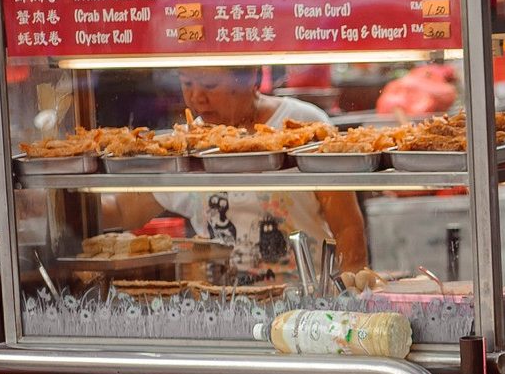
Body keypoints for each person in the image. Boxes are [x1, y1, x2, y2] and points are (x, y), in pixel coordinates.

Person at [144, 67, 367, 281]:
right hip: (220, 305)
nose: (196, 97)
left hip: (303, 304)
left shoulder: (304, 126)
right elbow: (127, 205)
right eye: (187, 83)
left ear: (250, 78)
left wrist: (345, 295)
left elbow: (347, 228)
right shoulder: (186, 143)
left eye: (209, 85)